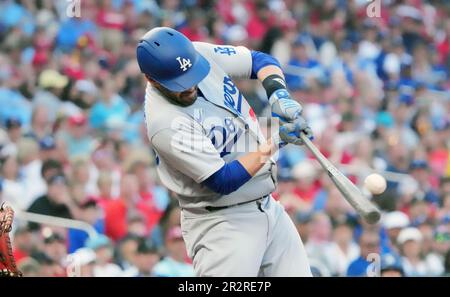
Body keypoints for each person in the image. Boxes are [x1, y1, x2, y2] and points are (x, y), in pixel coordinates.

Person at [137, 27, 313, 276]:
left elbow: (259, 60)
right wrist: (277, 141)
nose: (190, 86)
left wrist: (278, 93)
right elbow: (223, 180)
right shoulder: (165, 123)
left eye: (191, 75)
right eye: (179, 82)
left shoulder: (195, 54)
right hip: (223, 224)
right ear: (151, 79)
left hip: (267, 206)